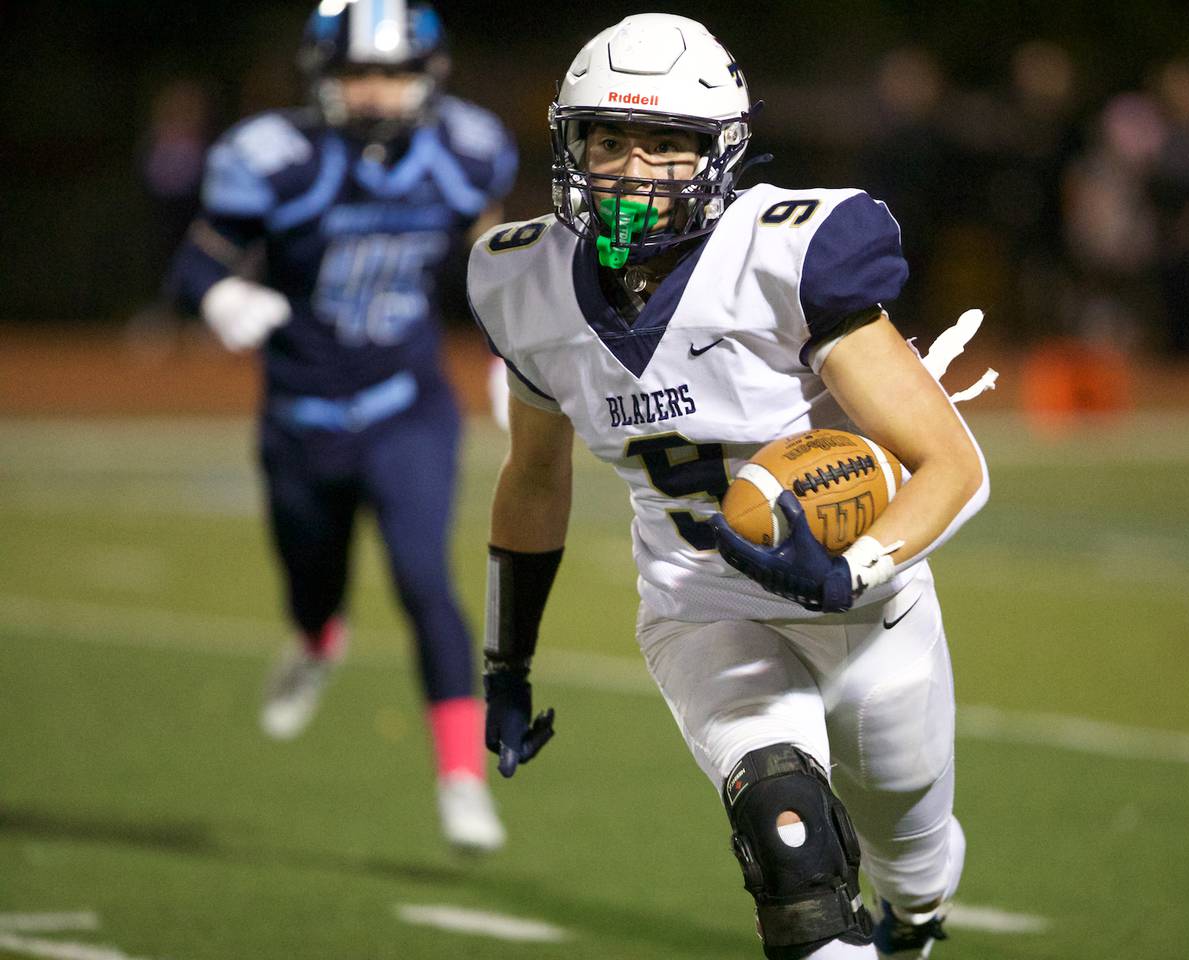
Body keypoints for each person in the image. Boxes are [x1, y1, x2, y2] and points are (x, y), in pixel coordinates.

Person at [468, 14, 990, 958]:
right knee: (790, 845)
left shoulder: (788, 252)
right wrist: (505, 664)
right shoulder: (524, 279)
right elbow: (533, 478)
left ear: (721, 154)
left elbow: (953, 464)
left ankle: (913, 921)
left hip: (864, 609)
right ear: (570, 141)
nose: (632, 169)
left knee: (911, 859)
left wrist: (855, 569)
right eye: (609, 139)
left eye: (668, 145)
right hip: (704, 610)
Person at [169, 0, 516, 851]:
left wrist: (519, 351)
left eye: (392, 75)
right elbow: (194, 260)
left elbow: (500, 258)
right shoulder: (273, 159)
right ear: (323, 79)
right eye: (358, 74)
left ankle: (461, 777)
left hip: (406, 402)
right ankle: (317, 638)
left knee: (421, 576)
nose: (374, 94)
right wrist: (219, 294)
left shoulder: (465, 151)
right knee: (312, 587)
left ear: (427, 79)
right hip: (300, 413)